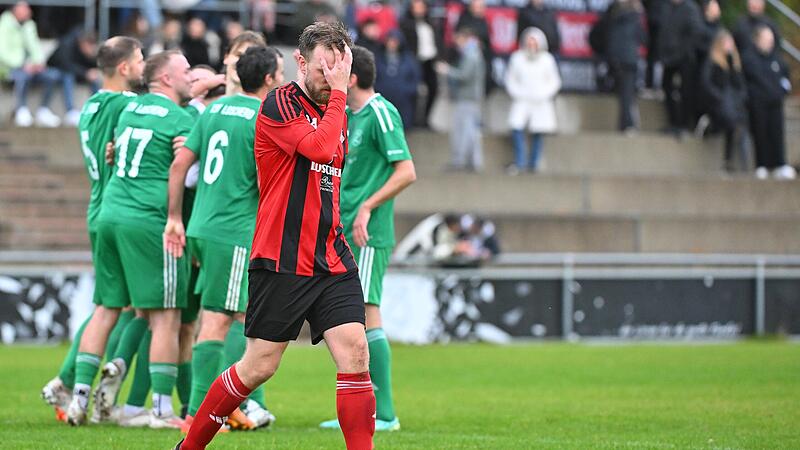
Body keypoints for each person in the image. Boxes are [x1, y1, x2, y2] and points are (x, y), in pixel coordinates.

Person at [177, 22, 375, 450]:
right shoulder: (278, 105)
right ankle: (189, 446)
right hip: (282, 258)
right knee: (259, 367)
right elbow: (320, 150)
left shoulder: (333, 108)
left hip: (331, 256)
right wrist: (340, 95)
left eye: (341, 68)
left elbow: (329, 177)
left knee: (356, 353)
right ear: (300, 63)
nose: (334, 79)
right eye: (325, 70)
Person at [67, 50, 196, 429]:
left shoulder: (129, 111)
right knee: (167, 316)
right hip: (148, 221)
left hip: (109, 214)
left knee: (107, 309)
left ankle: (78, 400)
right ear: (167, 79)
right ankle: (160, 410)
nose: (190, 76)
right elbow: (185, 174)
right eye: (186, 71)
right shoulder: (179, 117)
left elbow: (112, 154)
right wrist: (175, 217)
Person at [164, 45, 284, 434]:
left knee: (233, 315)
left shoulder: (213, 109)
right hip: (232, 231)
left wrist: (175, 217)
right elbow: (268, 183)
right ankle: (198, 413)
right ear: (267, 79)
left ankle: (224, 405)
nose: (282, 79)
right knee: (220, 320)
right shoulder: (263, 118)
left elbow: (181, 162)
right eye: (279, 73)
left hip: (200, 225)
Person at [39, 35, 144, 425]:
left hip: (97, 206)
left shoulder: (89, 107)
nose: (143, 67)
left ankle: (74, 389)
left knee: (108, 306)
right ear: (124, 67)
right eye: (140, 60)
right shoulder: (128, 104)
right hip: (125, 208)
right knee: (147, 310)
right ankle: (109, 388)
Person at [318, 44, 416, 433]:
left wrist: (367, 206)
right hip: (341, 230)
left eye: (337, 69)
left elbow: (406, 170)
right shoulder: (345, 114)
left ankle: (385, 413)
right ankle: (364, 407)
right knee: (347, 319)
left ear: (352, 77)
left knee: (366, 311)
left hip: (369, 233)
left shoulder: (380, 112)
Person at [505, 27, 561, 174]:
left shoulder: (547, 60)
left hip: (540, 102)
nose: (531, 45)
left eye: (534, 42)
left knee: (539, 131)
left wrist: (543, 94)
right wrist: (519, 93)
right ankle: (520, 162)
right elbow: (510, 80)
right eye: (529, 42)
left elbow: (554, 82)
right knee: (516, 126)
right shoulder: (517, 58)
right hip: (522, 100)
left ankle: (533, 163)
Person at [742, 25, 794, 180]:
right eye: (766, 39)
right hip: (758, 102)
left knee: (777, 132)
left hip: (775, 103)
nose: (769, 43)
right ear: (757, 40)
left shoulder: (776, 58)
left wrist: (782, 90)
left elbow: (784, 76)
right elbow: (756, 79)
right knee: (761, 133)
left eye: (770, 40)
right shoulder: (749, 57)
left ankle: (780, 164)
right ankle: (762, 165)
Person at [0, 1, 61, 127]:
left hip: (29, 67)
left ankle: (43, 110)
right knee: (22, 76)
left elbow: (35, 47)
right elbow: (3, 52)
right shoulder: (4, 24)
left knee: (53, 75)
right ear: (15, 10)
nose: (29, 10)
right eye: (25, 8)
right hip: (8, 69)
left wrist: (38, 63)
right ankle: (21, 110)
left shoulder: (29, 25)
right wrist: (22, 65)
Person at [437, 28, 486, 172]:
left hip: (467, 98)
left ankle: (460, 161)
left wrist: (447, 70)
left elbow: (464, 76)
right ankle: (473, 162)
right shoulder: (474, 53)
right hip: (471, 98)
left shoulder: (471, 55)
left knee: (463, 132)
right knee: (471, 132)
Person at [700, 30, 749, 172]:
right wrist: (718, 97)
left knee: (736, 125)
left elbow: (741, 85)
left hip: (733, 104)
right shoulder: (712, 62)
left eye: (730, 43)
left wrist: (739, 98)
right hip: (718, 103)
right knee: (730, 123)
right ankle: (709, 126)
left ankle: (730, 161)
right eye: (726, 43)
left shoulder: (735, 63)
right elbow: (706, 83)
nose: (729, 46)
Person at [658, 0, 703, 136]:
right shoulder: (666, 7)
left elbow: (695, 33)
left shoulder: (690, 8)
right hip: (669, 57)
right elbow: (663, 31)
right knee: (666, 86)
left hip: (685, 58)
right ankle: (674, 122)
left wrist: (682, 51)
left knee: (686, 91)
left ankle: (684, 124)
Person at [604, 0, 645, 134]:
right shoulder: (635, 17)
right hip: (629, 60)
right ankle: (627, 124)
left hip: (616, 59)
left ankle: (624, 124)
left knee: (623, 93)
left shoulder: (614, 17)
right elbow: (644, 38)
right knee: (627, 94)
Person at [47, 28, 101, 127]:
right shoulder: (67, 44)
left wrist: (92, 67)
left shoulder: (89, 50)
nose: (91, 49)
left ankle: (99, 110)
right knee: (68, 77)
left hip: (77, 72)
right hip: (58, 71)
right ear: (83, 43)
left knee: (94, 78)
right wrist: (85, 73)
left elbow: (93, 66)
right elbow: (66, 64)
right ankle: (70, 112)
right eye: (89, 46)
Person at [400, 0, 439, 128]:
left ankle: (426, 119)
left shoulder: (430, 23)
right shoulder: (406, 24)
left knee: (433, 89)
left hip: (430, 61)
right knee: (415, 90)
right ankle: (415, 120)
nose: (419, 9)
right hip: (415, 61)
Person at [375, 30, 421, 129]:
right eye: (389, 41)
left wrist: (406, 90)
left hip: (403, 101)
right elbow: (373, 77)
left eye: (395, 41)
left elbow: (416, 78)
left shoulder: (408, 59)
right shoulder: (378, 58)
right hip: (383, 99)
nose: (392, 44)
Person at [456, 0, 493, 94]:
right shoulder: (464, 19)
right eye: (476, 7)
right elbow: (458, 37)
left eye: (481, 7)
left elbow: (487, 40)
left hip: (481, 56)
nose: (479, 9)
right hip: (466, 56)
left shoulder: (483, 20)